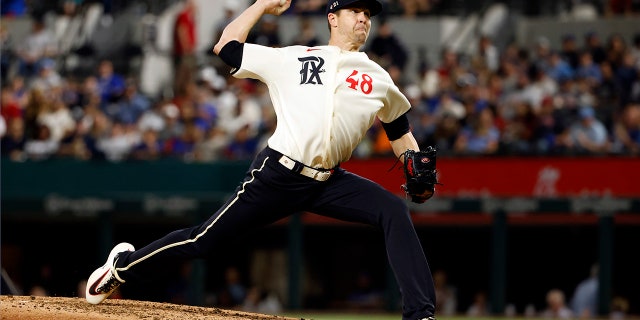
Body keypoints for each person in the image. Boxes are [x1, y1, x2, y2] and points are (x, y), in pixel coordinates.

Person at [85, 1, 437, 320]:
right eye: (354, 11)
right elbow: (226, 47)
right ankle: (121, 267)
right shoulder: (294, 57)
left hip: (330, 180)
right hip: (278, 174)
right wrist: (261, 6)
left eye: (367, 14)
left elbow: (399, 129)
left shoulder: (378, 77)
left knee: (392, 210)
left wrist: (413, 161)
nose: (363, 17)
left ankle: (419, 314)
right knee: (202, 241)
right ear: (332, 18)